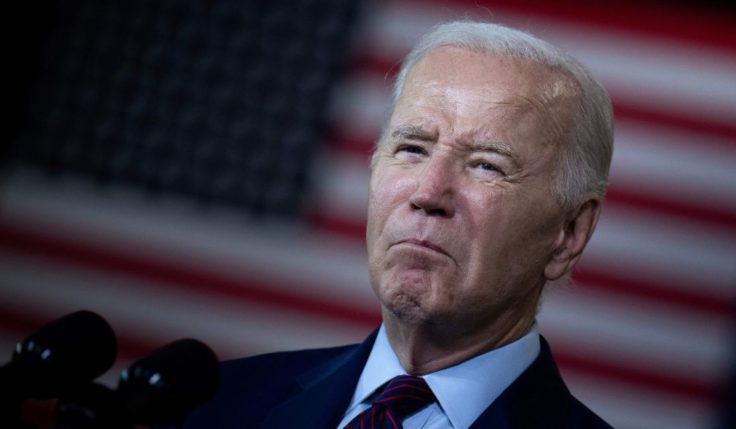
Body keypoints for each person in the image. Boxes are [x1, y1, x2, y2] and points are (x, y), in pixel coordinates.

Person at [179, 20, 614, 428]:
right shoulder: (216, 404)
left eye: (486, 165)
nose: (427, 194)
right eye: (412, 148)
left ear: (568, 235)